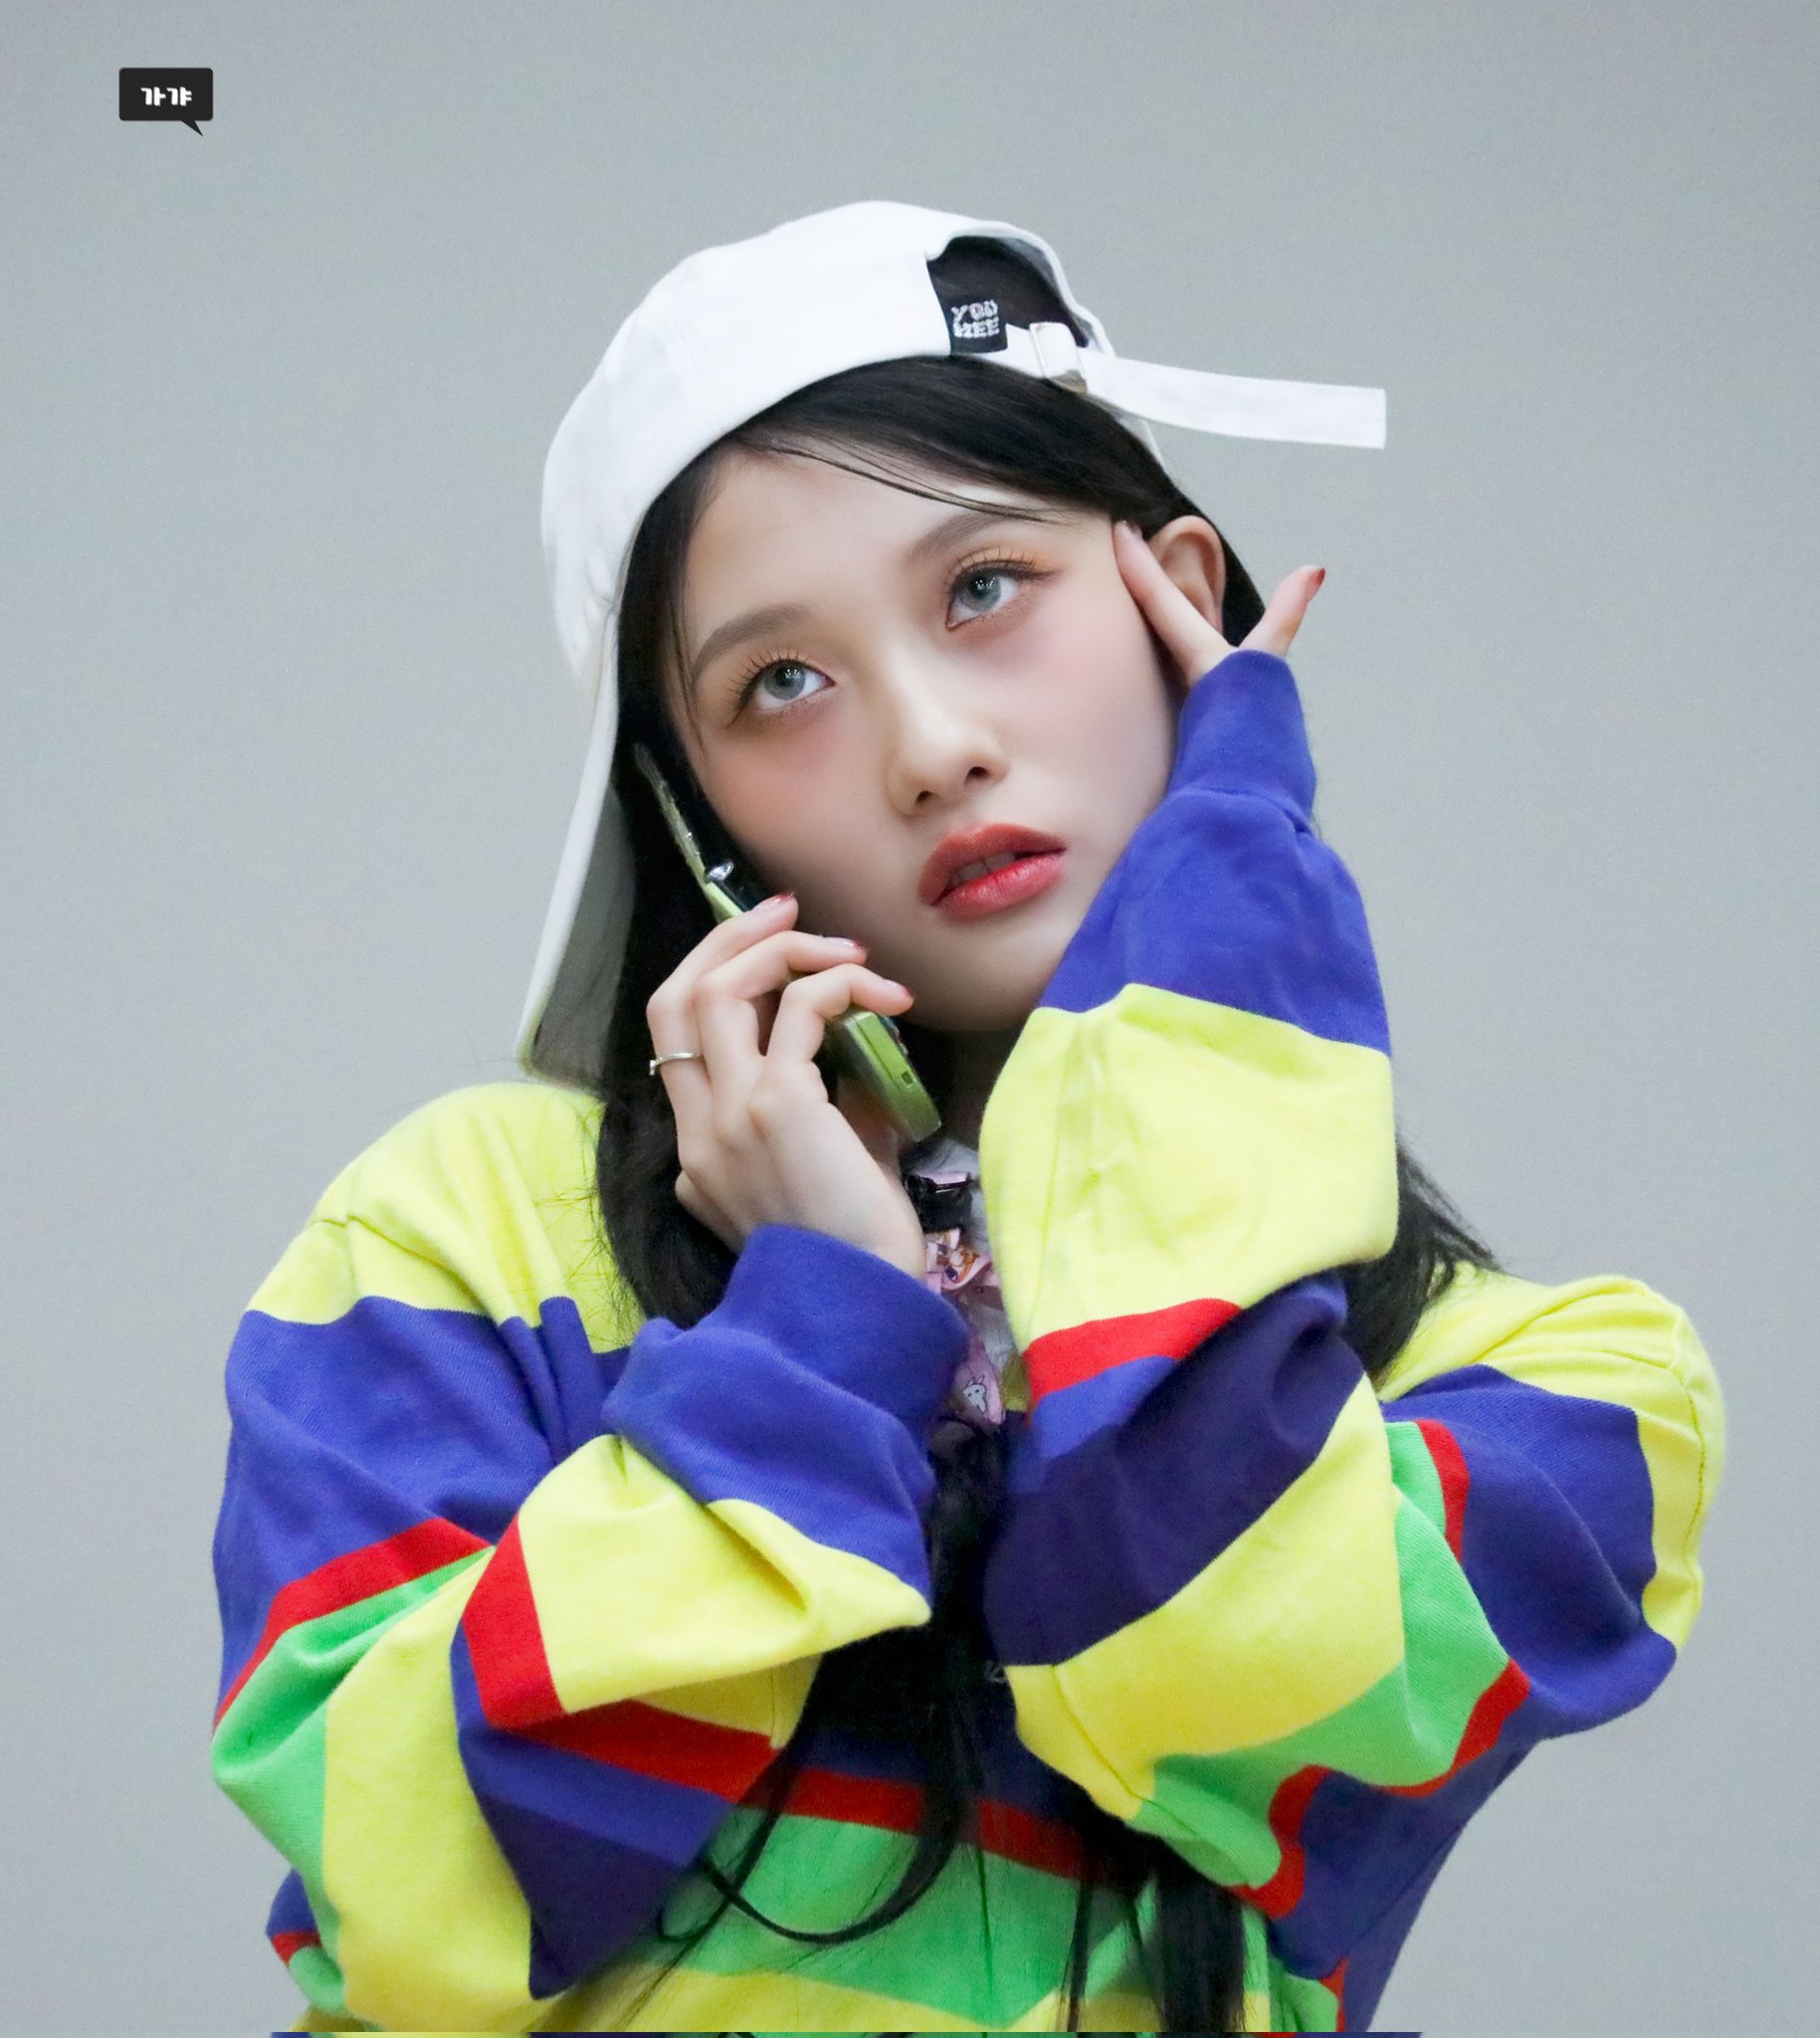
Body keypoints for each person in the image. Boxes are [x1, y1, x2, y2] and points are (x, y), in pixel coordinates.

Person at [209, 202, 1725, 2035]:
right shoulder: (454, 1239)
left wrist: (1225, 876)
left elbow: (1209, 1671)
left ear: (1181, 602)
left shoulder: (1561, 1387)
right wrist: (810, 1346)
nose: (930, 746)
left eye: (985, 589)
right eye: (779, 684)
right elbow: (408, 1903)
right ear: (691, 818)